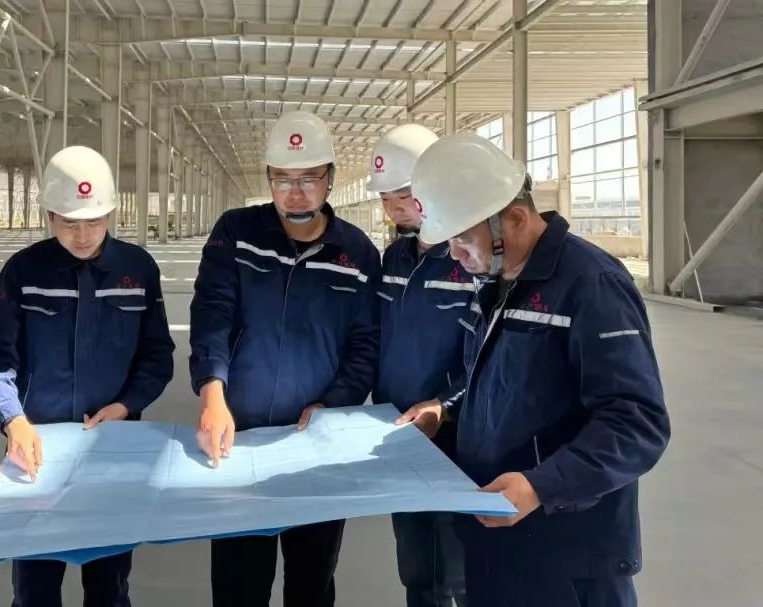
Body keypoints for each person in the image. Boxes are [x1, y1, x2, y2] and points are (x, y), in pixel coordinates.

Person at [400, 133, 671, 607]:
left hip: (567, 553)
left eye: (462, 238)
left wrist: (541, 486)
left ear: (515, 219)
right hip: (500, 537)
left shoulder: (591, 284)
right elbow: (494, 380)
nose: (455, 256)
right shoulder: (500, 281)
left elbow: (637, 423)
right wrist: (445, 409)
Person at [190, 110, 380, 607]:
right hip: (240, 438)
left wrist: (333, 405)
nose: (295, 193)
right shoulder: (236, 232)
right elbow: (212, 315)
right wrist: (212, 393)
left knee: (311, 583)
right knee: (238, 585)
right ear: (269, 179)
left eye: (309, 178)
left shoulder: (358, 254)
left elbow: (364, 345)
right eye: (282, 179)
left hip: (314, 445)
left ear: (330, 178)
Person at [0, 145, 175, 607]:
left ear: (110, 214)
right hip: (37, 453)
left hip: (112, 450)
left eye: (93, 222)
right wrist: (13, 419)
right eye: (68, 222)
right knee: (35, 585)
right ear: (49, 216)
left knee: (109, 584)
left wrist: (126, 405)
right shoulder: (23, 271)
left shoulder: (138, 270)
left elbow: (157, 354)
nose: (82, 235)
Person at [367, 124, 470, 607]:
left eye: (404, 195)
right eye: (386, 198)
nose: (395, 208)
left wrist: (446, 406)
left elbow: (492, 358)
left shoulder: (470, 259)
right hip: (400, 432)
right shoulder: (395, 257)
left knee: (456, 566)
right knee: (415, 561)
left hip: (456, 439)